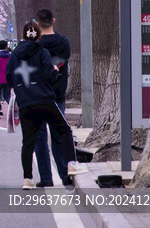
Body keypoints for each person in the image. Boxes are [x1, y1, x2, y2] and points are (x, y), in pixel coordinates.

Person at [6, 22, 88, 190]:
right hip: (44, 100)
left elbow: (8, 78)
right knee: (64, 130)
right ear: (37, 36)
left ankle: (27, 179)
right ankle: (71, 165)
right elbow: (49, 75)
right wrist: (55, 70)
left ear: (23, 35)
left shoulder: (14, 55)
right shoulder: (42, 52)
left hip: (25, 103)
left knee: (28, 141)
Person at [34, 8, 73, 186]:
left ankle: (46, 178)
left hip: (37, 95)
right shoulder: (63, 41)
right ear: (54, 21)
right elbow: (66, 58)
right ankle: (64, 173)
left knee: (40, 136)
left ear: (37, 23)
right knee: (58, 134)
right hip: (57, 94)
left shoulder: (34, 44)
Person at [0, 39, 12, 119]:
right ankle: (15, 111)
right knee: (7, 96)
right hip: (7, 79)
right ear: (7, 46)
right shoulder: (10, 56)